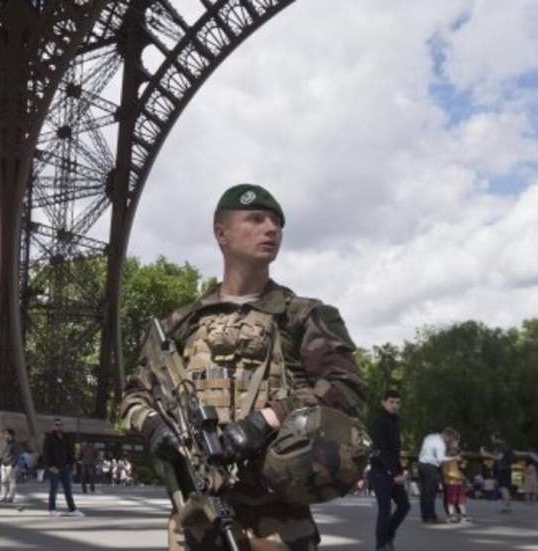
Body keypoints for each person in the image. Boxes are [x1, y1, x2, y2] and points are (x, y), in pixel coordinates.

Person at [121, 184, 367, 550]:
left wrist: (266, 420)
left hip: (279, 520)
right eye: (256, 219)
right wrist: (153, 425)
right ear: (221, 233)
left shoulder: (304, 316)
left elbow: (346, 391)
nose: (271, 228)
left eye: (277, 222)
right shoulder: (179, 325)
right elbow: (132, 396)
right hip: (196, 516)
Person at [368, 390, 409, 551]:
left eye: (398, 402)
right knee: (385, 509)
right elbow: (380, 450)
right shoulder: (378, 422)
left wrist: (401, 471)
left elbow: (394, 452)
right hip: (380, 472)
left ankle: (389, 534)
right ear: (383, 402)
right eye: (391, 402)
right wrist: (394, 474)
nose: (395, 405)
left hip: (393, 472)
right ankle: (381, 545)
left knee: (404, 506)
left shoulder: (395, 422)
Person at [416, 427, 459, 523]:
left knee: (424, 492)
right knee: (431, 492)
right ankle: (431, 516)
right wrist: (454, 458)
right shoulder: (441, 444)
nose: (450, 442)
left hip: (421, 464)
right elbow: (440, 459)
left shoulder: (430, 436)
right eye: (451, 439)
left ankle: (425, 516)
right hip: (431, 467)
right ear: (448, 436)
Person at [43, 418, 84, 517]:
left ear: (62, 426)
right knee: (54, 489)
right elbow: (46, 454)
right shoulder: (49, 438)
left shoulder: (66, 438)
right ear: (53, 426)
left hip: (65, 467)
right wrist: (50, 466)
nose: (58, 426)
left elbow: (70, 453)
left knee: (68, 489)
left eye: (60, 425)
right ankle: (52, 509)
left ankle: (72, 509)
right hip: (55, 468)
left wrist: (73, 465)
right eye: (56, 425)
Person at [484, 432, 515, 513]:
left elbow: (499, 458)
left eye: (493, 439)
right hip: (505, 469)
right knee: (504, 488)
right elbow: (497, 455)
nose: (492, 441)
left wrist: (487, 454)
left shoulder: (503, 446)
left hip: (503, 469)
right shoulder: (502, 446)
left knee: (503, 488)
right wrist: (488, 453)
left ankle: (507, 507)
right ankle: (507, 506)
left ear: (497, 438)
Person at [441, 439, 469, 523]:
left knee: (461, 501)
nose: (456, 452)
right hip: (451, 483)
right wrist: (457, 477)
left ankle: (463, 516)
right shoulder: (446, 460)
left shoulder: (459, 460)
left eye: (457, 450)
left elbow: (462, 470)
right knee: (451, 501)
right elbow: (445, 472)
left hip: (459, 483)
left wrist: (463, 474)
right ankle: (451, 516)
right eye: (454, 450)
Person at [0, 428, 20, 503]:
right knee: (3, 481)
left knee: (11, 481)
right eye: (5, 434)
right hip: (3, 464)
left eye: (6, 434)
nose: (5, 435)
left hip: (10, 465)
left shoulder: (15, 444)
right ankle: (3, 496)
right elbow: (3, 453)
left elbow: (17, 455)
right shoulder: (5, 443)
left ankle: (11, 497)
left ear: (11, 435)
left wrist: (12, 465)